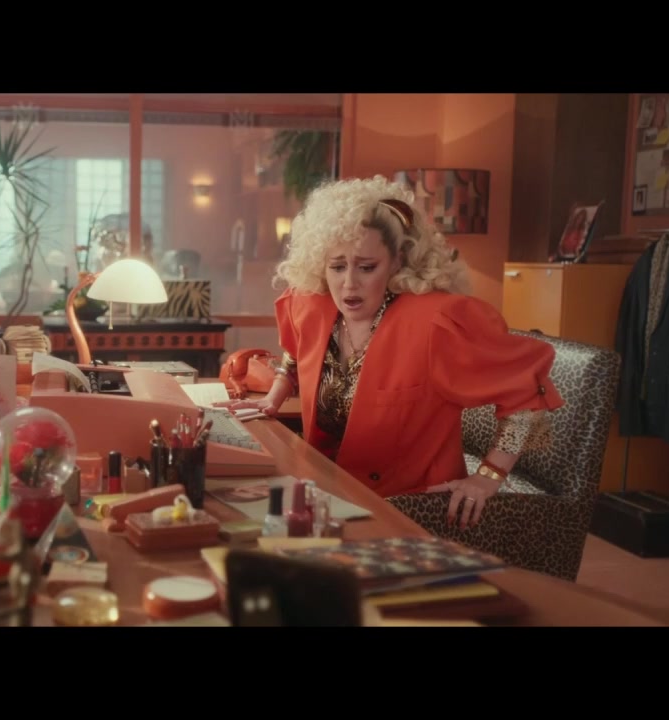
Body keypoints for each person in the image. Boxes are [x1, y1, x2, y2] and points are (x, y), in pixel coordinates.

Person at [221, 175, 565, 529]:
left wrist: (488, 477)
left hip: (412, 506)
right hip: (327, 490)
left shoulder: (436, 324)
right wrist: (275, 396)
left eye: (367, 267)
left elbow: (526, 391)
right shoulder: (311, 305)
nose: (349, 283)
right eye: (337, 266)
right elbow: (296, 351)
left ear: (397, 262)